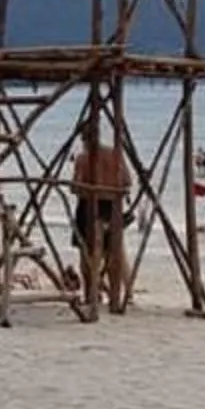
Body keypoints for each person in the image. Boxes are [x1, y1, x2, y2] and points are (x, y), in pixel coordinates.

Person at [73, 120, 132, 312]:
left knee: (86, 251)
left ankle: (91, 292)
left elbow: (77, 187)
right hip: (111, 206)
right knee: (116, 250)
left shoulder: (83, 159)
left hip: (88, 207)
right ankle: (125, 291)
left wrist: (92, 188)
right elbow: (127, 181)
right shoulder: (115, 156)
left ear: (84, 139)